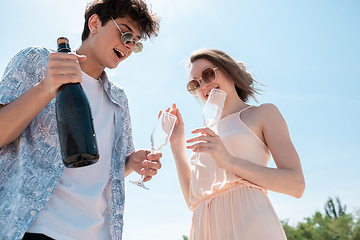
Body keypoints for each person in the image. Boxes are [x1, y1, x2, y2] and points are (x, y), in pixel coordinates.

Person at [0, 0, 161, 239]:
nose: (128, 47)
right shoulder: (39, 61)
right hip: (34, 229)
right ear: (95, 23)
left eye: (135, 43)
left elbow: (101, 172)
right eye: (126, 34)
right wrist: (46, 87)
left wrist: (130, 164)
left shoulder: (119, 100)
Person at [168, 49, 305, 240]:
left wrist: (229, 161)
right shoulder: (208, 133)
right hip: (205, 231)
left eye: (208, 74)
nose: (203, 86)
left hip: (251, 226)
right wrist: (176, 145)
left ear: (230, 71)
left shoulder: (263, 114)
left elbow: (296, 185)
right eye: (195, 84)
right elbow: (193, 200)